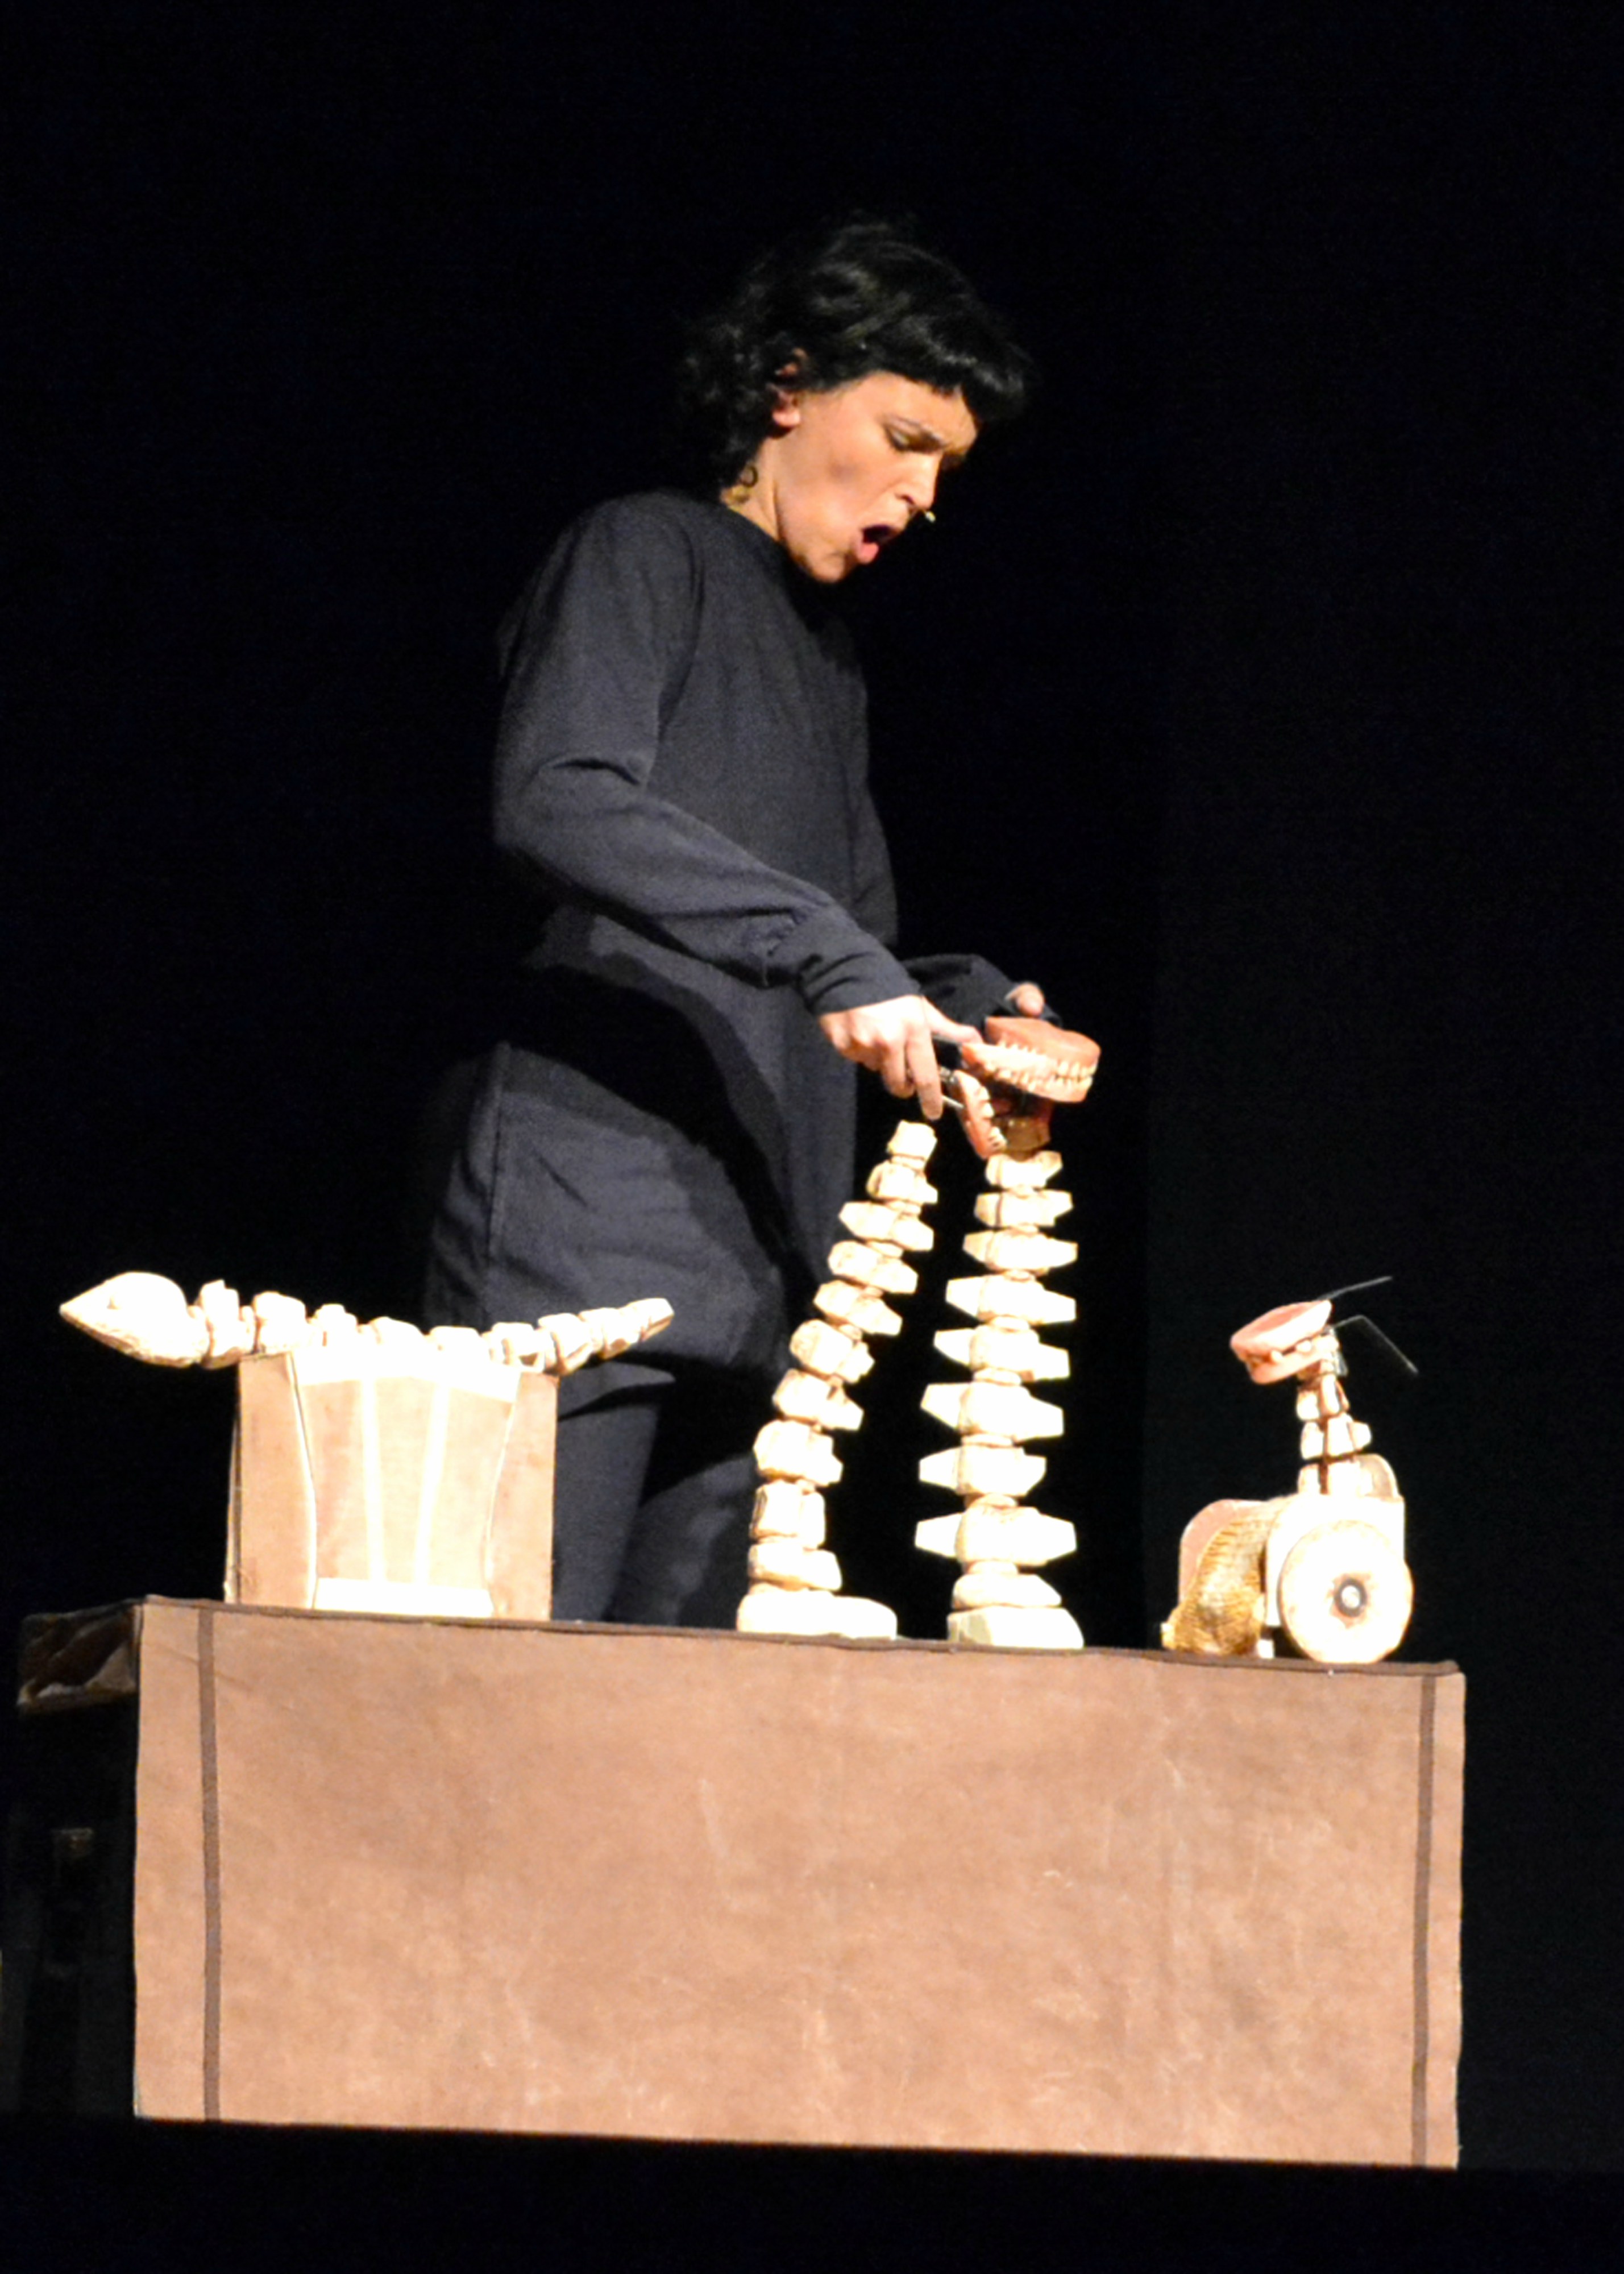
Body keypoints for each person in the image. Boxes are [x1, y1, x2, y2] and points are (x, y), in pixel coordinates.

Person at [423, 218, 1045, 1626]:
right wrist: (826, 949)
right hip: (584, 1245)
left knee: (689, 1722)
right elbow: (556, 794)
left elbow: (854, 933)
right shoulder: (644, 549)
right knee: (519, 1689)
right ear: (785, 386)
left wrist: (975, 1006)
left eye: (945, 469)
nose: (920, 495)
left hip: (764, 1273)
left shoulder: (829, 663)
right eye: (902, 439)